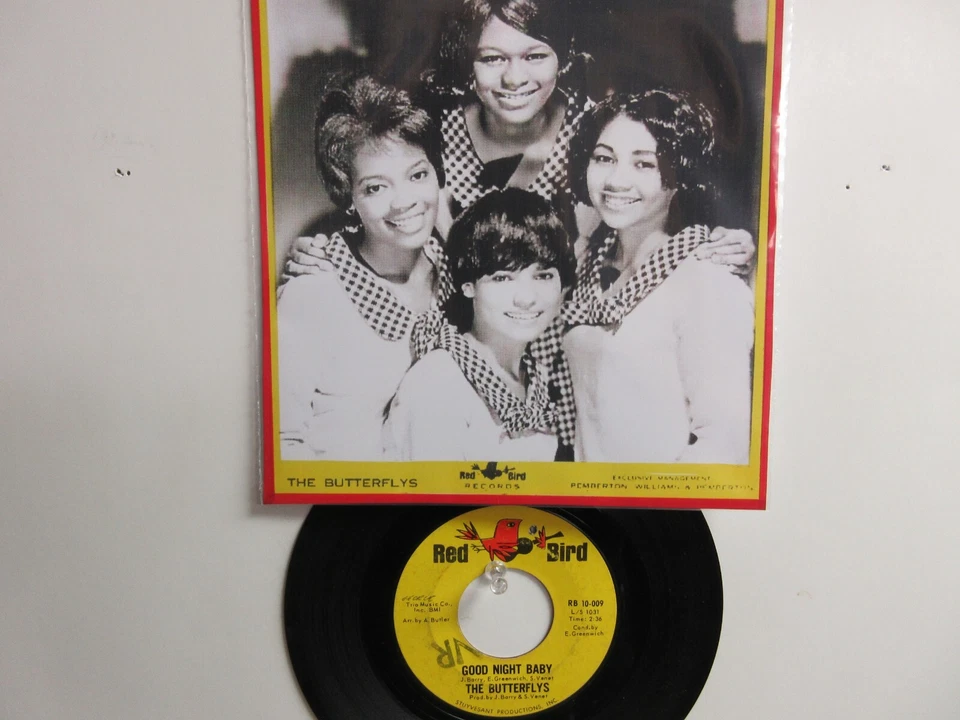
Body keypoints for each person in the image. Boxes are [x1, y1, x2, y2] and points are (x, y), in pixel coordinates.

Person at [284, 0, 755, 275]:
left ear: (564, 58)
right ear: (468, 61)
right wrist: (330, 252)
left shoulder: (600, 132)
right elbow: (386, 213)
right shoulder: (430, 132)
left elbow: (657, 218)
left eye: (535, 57)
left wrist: (718, 244)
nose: (514, 79)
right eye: (492, 59)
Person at [562, 89, 755, 464]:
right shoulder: (587, 264)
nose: (616, 180)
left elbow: (726, 442)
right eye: (604, 158)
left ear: (679, 175)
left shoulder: (706, 278)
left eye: (644, 164)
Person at [276, 76, 452, 460]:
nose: (404, 201)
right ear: (350, 199)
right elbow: (282, 446)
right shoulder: (313, 294)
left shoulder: (457, 275)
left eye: (417, 175)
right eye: (376, 187)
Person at [383, 188, 576, 461]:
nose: (526, 298)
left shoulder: (536, 376)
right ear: (468, 286)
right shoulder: (438, 385)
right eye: (502, 278)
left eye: (543, 275)